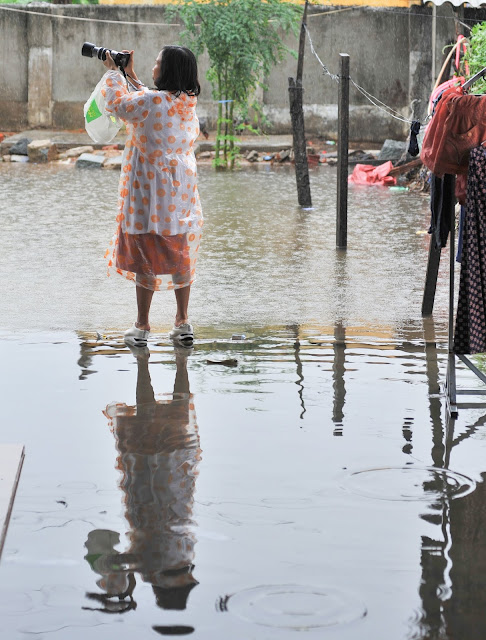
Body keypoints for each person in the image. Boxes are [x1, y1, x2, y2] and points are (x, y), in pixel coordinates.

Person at [100, 46, 203, 347]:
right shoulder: (186, 102)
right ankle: (182, 322)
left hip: (149, 193)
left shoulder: (149, 101)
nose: (153, 67)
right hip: (180, 193)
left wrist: (112, 72)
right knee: (178, 251)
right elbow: (151, 100)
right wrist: (130, 75)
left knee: (146, 253)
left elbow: (118, 104)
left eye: (157, 63)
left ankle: (142, 326)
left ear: (167, 71)